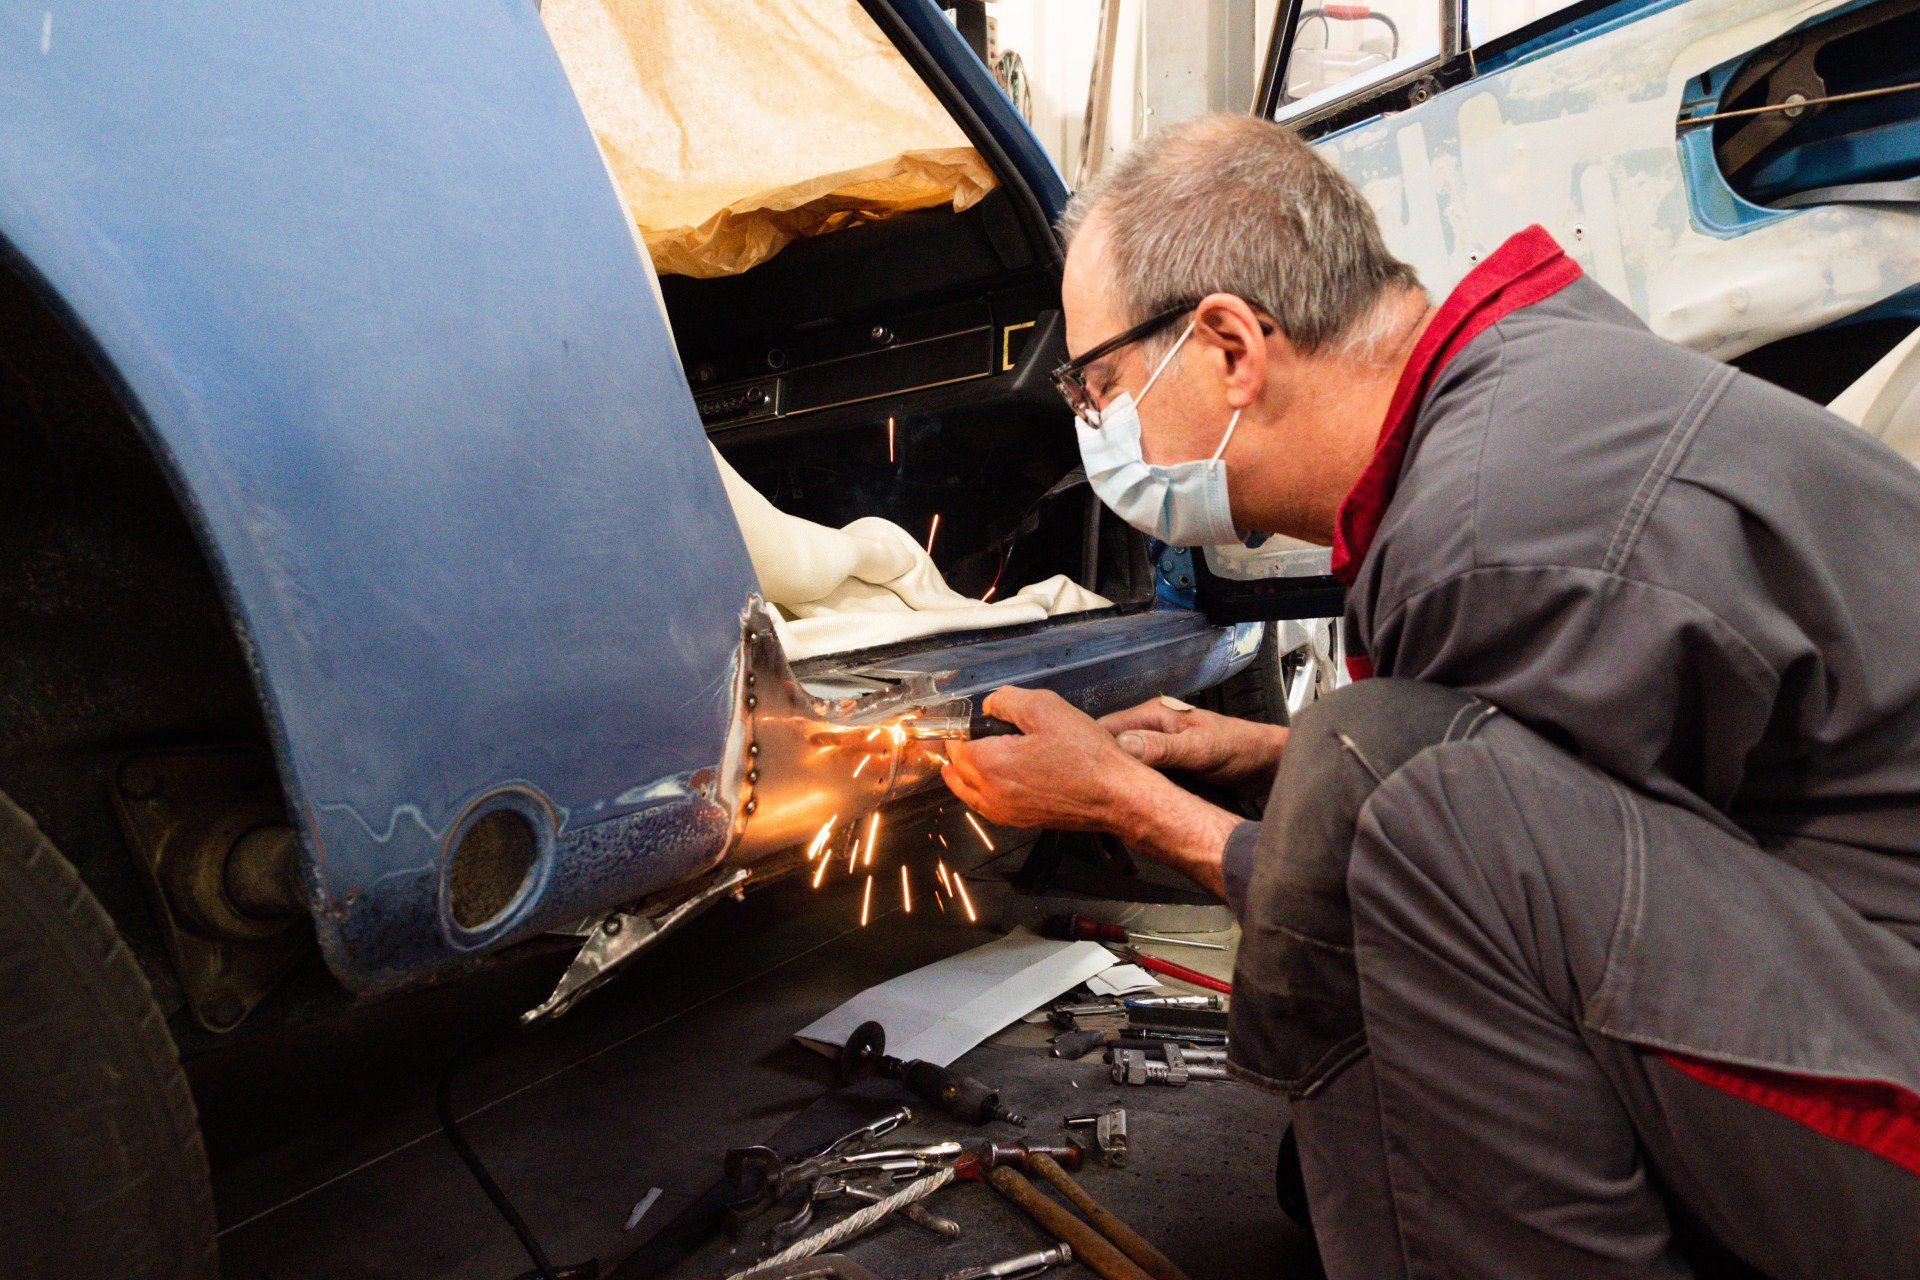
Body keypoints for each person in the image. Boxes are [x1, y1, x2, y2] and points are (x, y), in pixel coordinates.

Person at [940, 113, 1920, 1279]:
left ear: (1231, 347)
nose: (1100, 425)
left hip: (1887, 1083)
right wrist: (1263, 749)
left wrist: (1127, 804)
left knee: (1374, 788)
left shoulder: (1491, 534)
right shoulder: (1527, 395)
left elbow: (1451, 867)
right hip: (1849, 968)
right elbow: (1567, 791)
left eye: (1100, 383)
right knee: (1355, 1132)